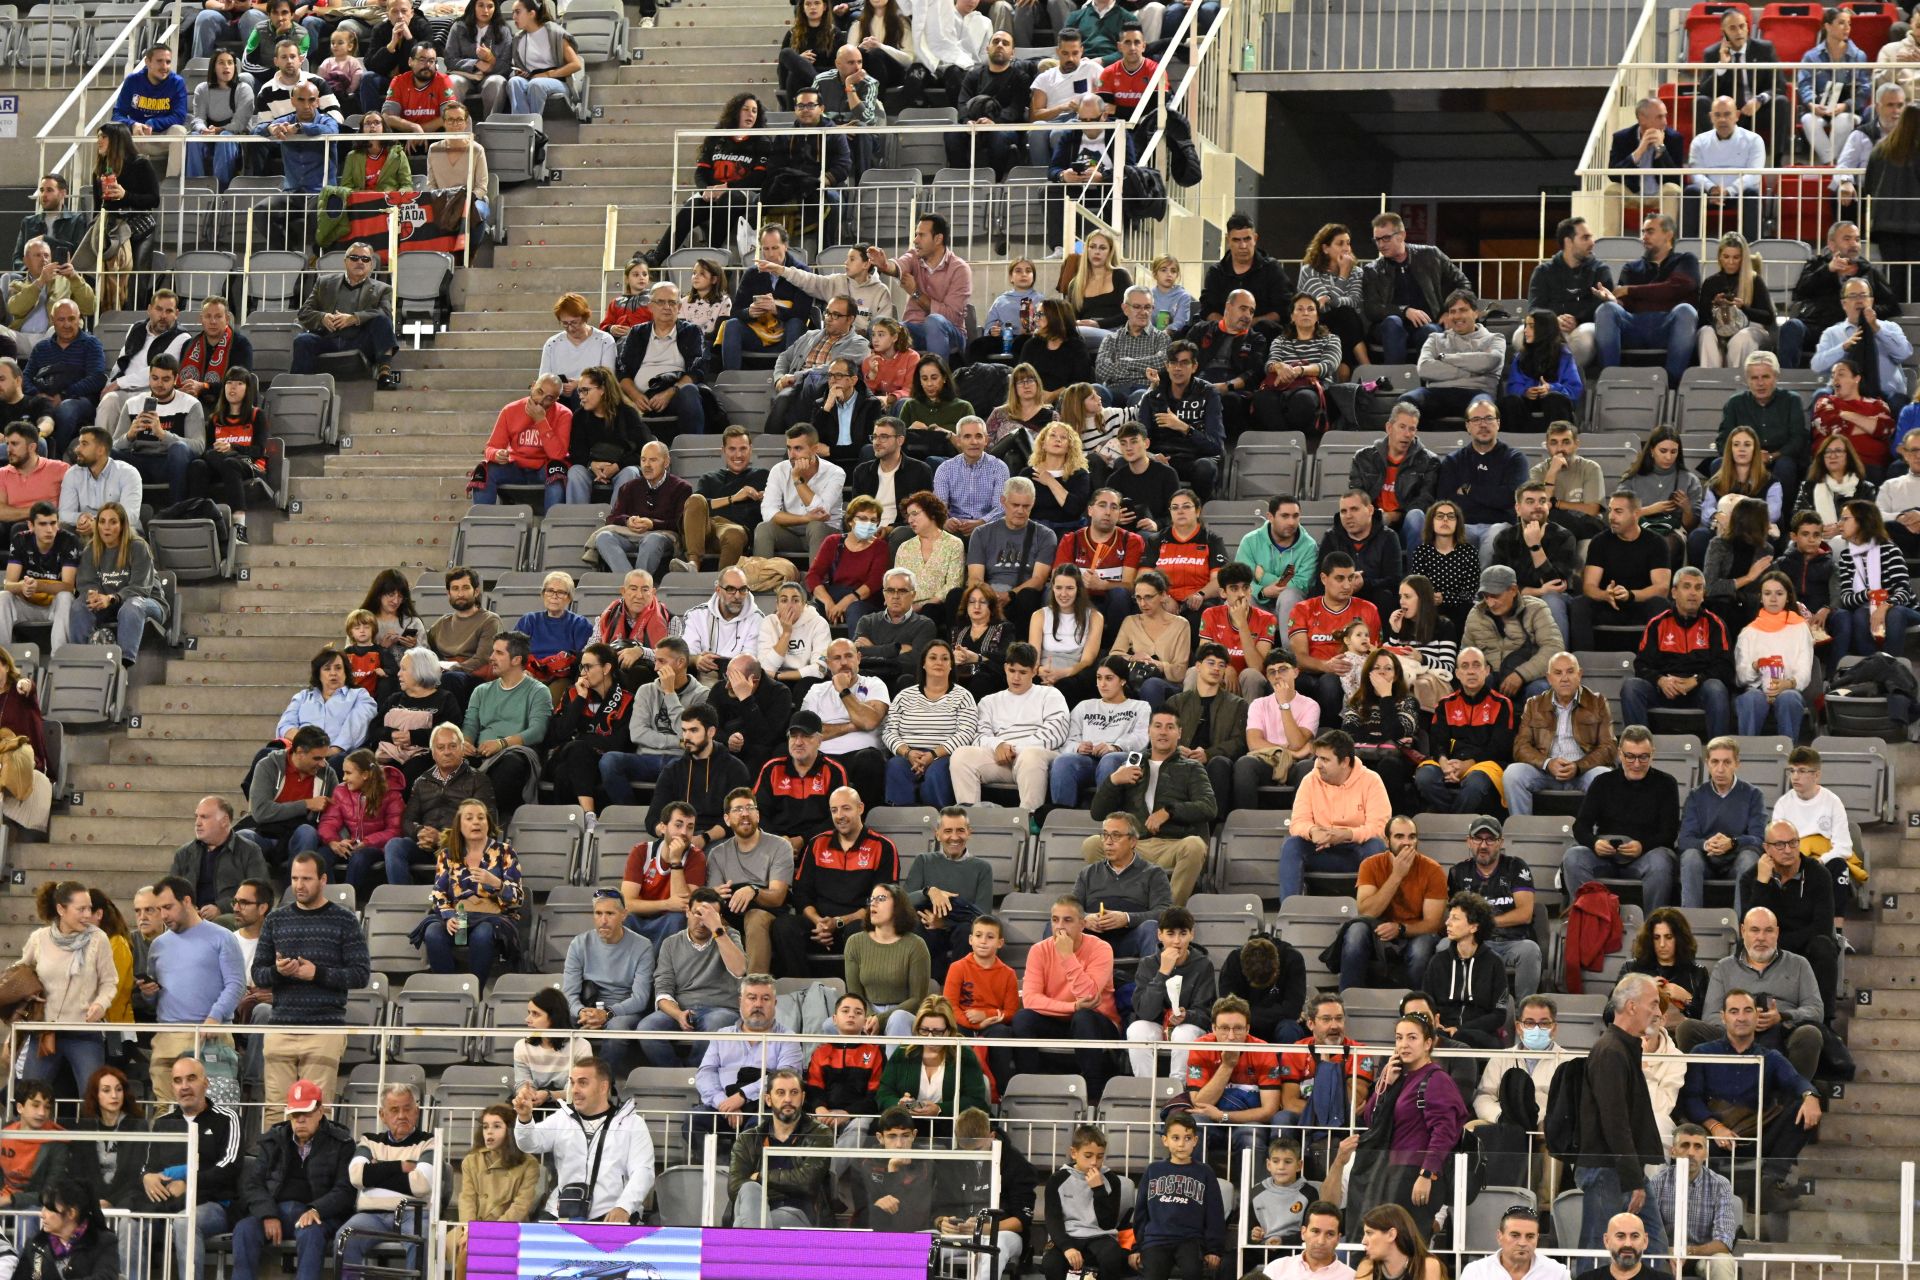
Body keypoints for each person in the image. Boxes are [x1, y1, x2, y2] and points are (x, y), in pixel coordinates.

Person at [1679, 987, 1824, 1208]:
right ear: (1723, 1017)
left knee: (1804, 1109)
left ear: (1757, 1016)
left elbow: (1796, 1081)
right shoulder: (1702, 1051)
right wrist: (1715, 1126)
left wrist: (1811, 1095)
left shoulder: (1771, 1057)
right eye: (1734, 1011)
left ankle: (1770, 1183)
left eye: (1747, 1011)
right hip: (1715, 1136)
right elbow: (1691, 1098)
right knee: (1691, 1132)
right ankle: (1700, 1196)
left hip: (1758, 1133)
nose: (1741, 1017)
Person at [250, 850, 367, 1124]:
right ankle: (276, 1167)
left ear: (323, 880)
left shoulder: (344, 920)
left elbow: (360, 975)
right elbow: (258, 973)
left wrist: (317, 973)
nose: (299, 886)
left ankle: (316, 1167)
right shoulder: (276, 920)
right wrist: (279, 972)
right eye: (294, 879)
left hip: (324, 1029)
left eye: (306, 879)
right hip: (281, 1026)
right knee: (276, 1112)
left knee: (317, 1111)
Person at [1350, 1015, 1468, 1238]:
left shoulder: (1436, 1079)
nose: (1404, 1044)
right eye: (1399, 1038)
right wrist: (1384, 1084)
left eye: (1412, 1037)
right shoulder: (1400, 1077)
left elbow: (1444, 1132)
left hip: (1416, 1174)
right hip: (1391, 1172)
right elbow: (1371, 1120)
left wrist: (1427, 1174)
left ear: (1427, 1043)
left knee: (1410, 1247)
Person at [1573, 973, 1668, 1250]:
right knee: (1597, 1250)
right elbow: (1615, 1122)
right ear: (1632, 1006)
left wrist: (1633, 1175)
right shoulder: (1611, 1051)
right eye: (1653, 1004)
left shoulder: (1622, 1048)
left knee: (1656, 1248)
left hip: (1623, 1168)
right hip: (1608, 1169)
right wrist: (1632, 1179)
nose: (1658, 1013)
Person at [229, 1078, 356, 1280]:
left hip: (316, 1214)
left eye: (306, 1113)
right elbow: (253, 1184)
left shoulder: (341, 1143)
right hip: (275, 1210)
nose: (300, 1120)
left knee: (311, 1234)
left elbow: (345, 1190)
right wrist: (267, 1213)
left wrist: (316, 1209)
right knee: (244, 1229)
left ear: (320, 1111)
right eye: (295, 1114)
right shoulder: (273, 1139)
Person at [513, 1056, 654, 1221]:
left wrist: (624, 1206)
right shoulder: (562, 1117)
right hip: (562, 1213)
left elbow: (643, 1171)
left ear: (603, 1087)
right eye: (572, 1083)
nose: (574, 1090)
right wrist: (524, 1118)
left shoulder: (631, 1123)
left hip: (611, 1216)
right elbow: (529, 1144)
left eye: (583, 1083)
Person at [147, 1054, 246, 1280]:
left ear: (205, 1082)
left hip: (214, 1205)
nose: (184, 1087)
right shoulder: (163, 1124)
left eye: (191, 1079)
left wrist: (188, 1182)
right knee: (129, 1221)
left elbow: (228, 1167)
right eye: (178, 1080)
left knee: (185, 1222)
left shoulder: (228, 1118)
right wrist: (147, 1178)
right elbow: (148, 1167)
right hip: (167, 1204)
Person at [1561, 726, 1682, 910]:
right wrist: (1594, 843)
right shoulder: (1603, 782)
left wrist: (1643, 846)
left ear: (1653, 754)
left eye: (1643, 757)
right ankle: (1590, 919)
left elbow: (1669, 833)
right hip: (1606, 855)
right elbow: (1580, 826)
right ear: (1619, 754)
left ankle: (1653, 927)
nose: (1636, 763)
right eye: (1630, 756)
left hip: (1647, 855)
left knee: (1661, 861)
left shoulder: (1666, 783)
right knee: (1573, 857)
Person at [15, 880, 116, 1096]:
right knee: (29, 1097)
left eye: (89, 908)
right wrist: (28, 993)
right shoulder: (39, 939)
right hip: (44, 1031)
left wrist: (101, 1003)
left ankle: (92, 1130)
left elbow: (109, 982)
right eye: (81, 909)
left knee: (93, 1098)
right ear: (61, 909)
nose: (88, 914)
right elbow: (19, 974)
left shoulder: (99, 939)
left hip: (85, 1033)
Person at [944, 642, 1070, 808]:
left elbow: (1056, 733)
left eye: (1023, 672)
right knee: (961, 755)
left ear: (1034, 671)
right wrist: (998, 745)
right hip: (1001, 759)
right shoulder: (989, 701)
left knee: (1030, 756)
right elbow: (978, 735)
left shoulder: (1050, 694)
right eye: (1012, 671)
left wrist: (1013, 748)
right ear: (1005, 668)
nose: (1016, 678)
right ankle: (970, 819)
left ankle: (1029, 818)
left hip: (1038, 757)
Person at [1622, 566, 1736, 737]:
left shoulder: (1715, 624)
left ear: (1703, 594)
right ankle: (1638, 748)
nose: (1693, 593)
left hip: (1699, 689)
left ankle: (1719, 751)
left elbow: (1725, 667)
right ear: (1674, 592)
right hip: (1664, 689)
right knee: (1631, 687)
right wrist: (1660, 680)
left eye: (1698, 588)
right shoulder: (1657, 624)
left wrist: (1696, 680)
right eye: (1687, 586)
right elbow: (1642, 665)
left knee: (1716, 688)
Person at [419, 798, 524, 979]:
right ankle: (450, 992)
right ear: (459, 825)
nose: (476, 822)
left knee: (482, 934)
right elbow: (438, 893)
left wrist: (496, 883)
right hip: (460, 915)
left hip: (494, 916)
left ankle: (475, 993)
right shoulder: (448, 854)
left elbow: (518, 899)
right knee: (433, 932)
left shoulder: (505, 852)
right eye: (469, 818)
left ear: (488, 823)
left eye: (481, 818)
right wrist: (448, 915)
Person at [1592, 213, 1700, 386]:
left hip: (1668, 327)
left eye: (1650, 231)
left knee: (1685, 311)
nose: (1644, 237)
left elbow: (1677, 287)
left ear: (1668, 234)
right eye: (1643, 232)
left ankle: (1672, 385)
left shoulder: (1686, 260)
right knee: (1606, 310)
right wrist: (1613, 300)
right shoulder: (1631, 268)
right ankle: (1609, 382)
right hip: (1635, 326)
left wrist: (1630, 290)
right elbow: (1624, 303)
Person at [1505, 651, 1616, 818]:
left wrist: (1578, 766)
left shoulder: (1597, 702)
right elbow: (1521, 746)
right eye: (1558, 673)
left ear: (1580, 675)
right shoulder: (1534, 704)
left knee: (1602, 776)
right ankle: (1523, 829)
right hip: (1545, 772)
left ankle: (1594, 837)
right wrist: (1547, 763)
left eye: (1570, 672)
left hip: (1583, 772)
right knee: (1513, 774)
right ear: (1549, 678)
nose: (1564, 678)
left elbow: (1608, 747)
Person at [1413, 646, 1515, 815]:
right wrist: (1444, 763)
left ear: (1487, 670)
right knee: (1425, 778)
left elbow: (1500, 748)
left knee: (1475, 784)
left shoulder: (1502, 704)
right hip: (1450, 763)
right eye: (1465, 666)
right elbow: (1438, 742)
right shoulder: (1445, 704)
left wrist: (1468, 764)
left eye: (1476, 665)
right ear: (1458, 673)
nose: (1471, 671)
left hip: (1486, 764)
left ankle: (1451, 826)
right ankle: (1455, 820)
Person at [728, 1067, 833, 1228]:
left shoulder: (819, 1134)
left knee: (745, 1222)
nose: (788, 1099)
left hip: (797, 1214)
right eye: (781, 1093)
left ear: (803, 1098)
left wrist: (760, 1177)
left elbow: (807, 1181)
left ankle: (747, 1249)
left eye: (794, 1092)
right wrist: (782, 1185)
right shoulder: (748, 1138)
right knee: (749, 1189)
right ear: (768, 1099)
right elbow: (735, 1187)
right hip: (754, 1208)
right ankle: (760, 1248)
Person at [1361, 211, 1472, 364]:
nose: (1381, 244)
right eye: (1377, 240)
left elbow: (1463, 284)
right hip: (1390, 327)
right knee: (1392, 322)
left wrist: (1449, 312)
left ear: (1401, 235)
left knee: (1429, 331)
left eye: (1386, 238)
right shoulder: (1372, 270)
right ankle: (1395, 381)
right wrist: (1404, 311)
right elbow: (1371, 309)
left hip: (1429, 322)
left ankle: (1428, 383)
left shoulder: (1431, 255)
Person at [1129, 1111, 1226, 1280]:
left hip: (1190, 1240)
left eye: (1187, 1138)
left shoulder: (1205, 1172)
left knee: (1193, 1273)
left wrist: (1213, 1249)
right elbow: (1141, 1213)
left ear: (1195, 1140)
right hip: (1155, 1240)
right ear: (1165, 1140)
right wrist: (1137, 1247)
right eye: (1176, 1138)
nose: (1182, 1144)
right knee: (1152, 1275)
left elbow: (1214, 1214)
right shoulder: (1153, 1170)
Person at [448, 1104, 540, 1277]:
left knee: (472, 1250)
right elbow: (467, 1198)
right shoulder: (471, 1160)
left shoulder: (529, 1164)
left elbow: (520, 1207)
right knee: (459, 1246)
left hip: (508, 1227)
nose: (489, 1132)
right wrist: (471, 1230)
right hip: (471, 1226)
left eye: (496, 1126)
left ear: (511, 1130)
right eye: (485, 1126)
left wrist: (488, 1232)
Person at [291, 240, 397, 386]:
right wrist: (322, 317)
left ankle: (384, 373)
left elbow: (386, 314)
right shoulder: (325, 282)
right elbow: (304, 313)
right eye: (354, 258)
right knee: (302, 340)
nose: (360, 262)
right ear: (345, 261)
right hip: (328, 339)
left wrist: (354, 318)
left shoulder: (382, 289)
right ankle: (299, 387)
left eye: (365, 259)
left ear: (371, 265)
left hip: (360, 341)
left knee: (383, 320)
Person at [1038, 1124, 1134, 1280]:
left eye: (1100, 1156)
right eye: (1088, 1155)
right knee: (1051, 1263)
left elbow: (1108, 1224)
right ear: (1074, 1153)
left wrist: (1098, 1190)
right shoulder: (1057, 1180)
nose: (1094, 1162)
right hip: (1068, 1235)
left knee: (1112, 1258)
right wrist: (1067, 1247)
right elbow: (1053, 1220)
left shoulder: (1112, 1180)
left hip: (1100, 1236)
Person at [1642, 1126, 1738, 1280]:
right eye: (1685, 1145)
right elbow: (1645, 1233)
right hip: (1666, 1256)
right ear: (1673, 1151)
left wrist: (1688, 1251)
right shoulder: (1657, 1182)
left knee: (1723, 1261)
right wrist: (1666, 1252)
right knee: (1646, 1261)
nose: (1691, 1153)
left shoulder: (1720, 1184)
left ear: (1706, 1153)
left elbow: (1724, 1242)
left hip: (1704, 1257)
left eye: (1698, 1146)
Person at [1831, 497, 1919, 655]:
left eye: (1845, 519)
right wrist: (1869, 594)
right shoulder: (1846, 556)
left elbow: (1903, 592)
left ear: (1863, 521)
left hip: (1905, 610)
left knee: (1895, 613)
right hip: (1867, 610)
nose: (1839, 524)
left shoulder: (1889, 550)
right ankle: (1871, 668)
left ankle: (1891, 668)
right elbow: (1846, 598)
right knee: (1860, 613)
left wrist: (1884, 606)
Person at [1137, 342, 1224, 502]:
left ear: (1194, 366)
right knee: (1126, 462)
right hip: (1161, 458)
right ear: (1167, 366)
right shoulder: (1153, 396)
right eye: (1173, 363)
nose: (1178, 368)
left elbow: (1215, 446)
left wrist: (1183, 427)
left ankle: (1198, 512)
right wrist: (1151, 455)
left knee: (1206, 467)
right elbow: (1140, 440)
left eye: (1184, 363)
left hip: (1194, 458)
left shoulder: (1208, 393)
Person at [1684, 97, 1765, 238]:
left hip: (1739, 194)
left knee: (1751, 192)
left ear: (1737, 116)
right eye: (1717, 115)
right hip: (1709, 194)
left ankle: (1751, 249)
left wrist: (1728, 191)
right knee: (1691, 191)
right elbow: (1695, 173)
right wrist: (1712, 189)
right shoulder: (1699, 141)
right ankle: (1689, 246)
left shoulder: (1754, 140)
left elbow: (1754, 174)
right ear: (1711, 117)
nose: (1722, 119)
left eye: (1727, 114)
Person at [1237, 492, 1320, 619]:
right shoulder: (1250, 541)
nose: (1291, 522)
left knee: (1289, 595)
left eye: (1295, 516)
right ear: (1270, 517)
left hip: (1292, 604)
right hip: (1257, 602)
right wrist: (1263, 592)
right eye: (1285, 516)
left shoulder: (1309, 546)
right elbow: (1241, 580)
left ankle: (1289, 640)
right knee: (1241, 600)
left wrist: (1264, 577)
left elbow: (1301, 584)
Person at [1262, 1201, 1355, 1280]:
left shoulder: (1351, 1277)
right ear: (1303, 1233)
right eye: (1315, 1231)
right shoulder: (1277, 1269)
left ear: (1338, 1239)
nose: (1321, 1241)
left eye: (1330, 1234)